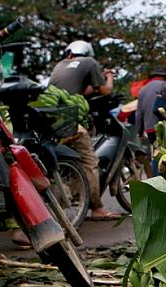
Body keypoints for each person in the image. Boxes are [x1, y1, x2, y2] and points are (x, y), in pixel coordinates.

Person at [48, 40, 119, 220]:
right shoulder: (90, 62)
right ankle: (97, 208)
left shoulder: (60, 65)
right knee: (89, 161)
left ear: (70, 53)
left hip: (49, 118)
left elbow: (82, 90)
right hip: (68, 120)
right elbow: (105, 91)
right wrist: (109, 75)